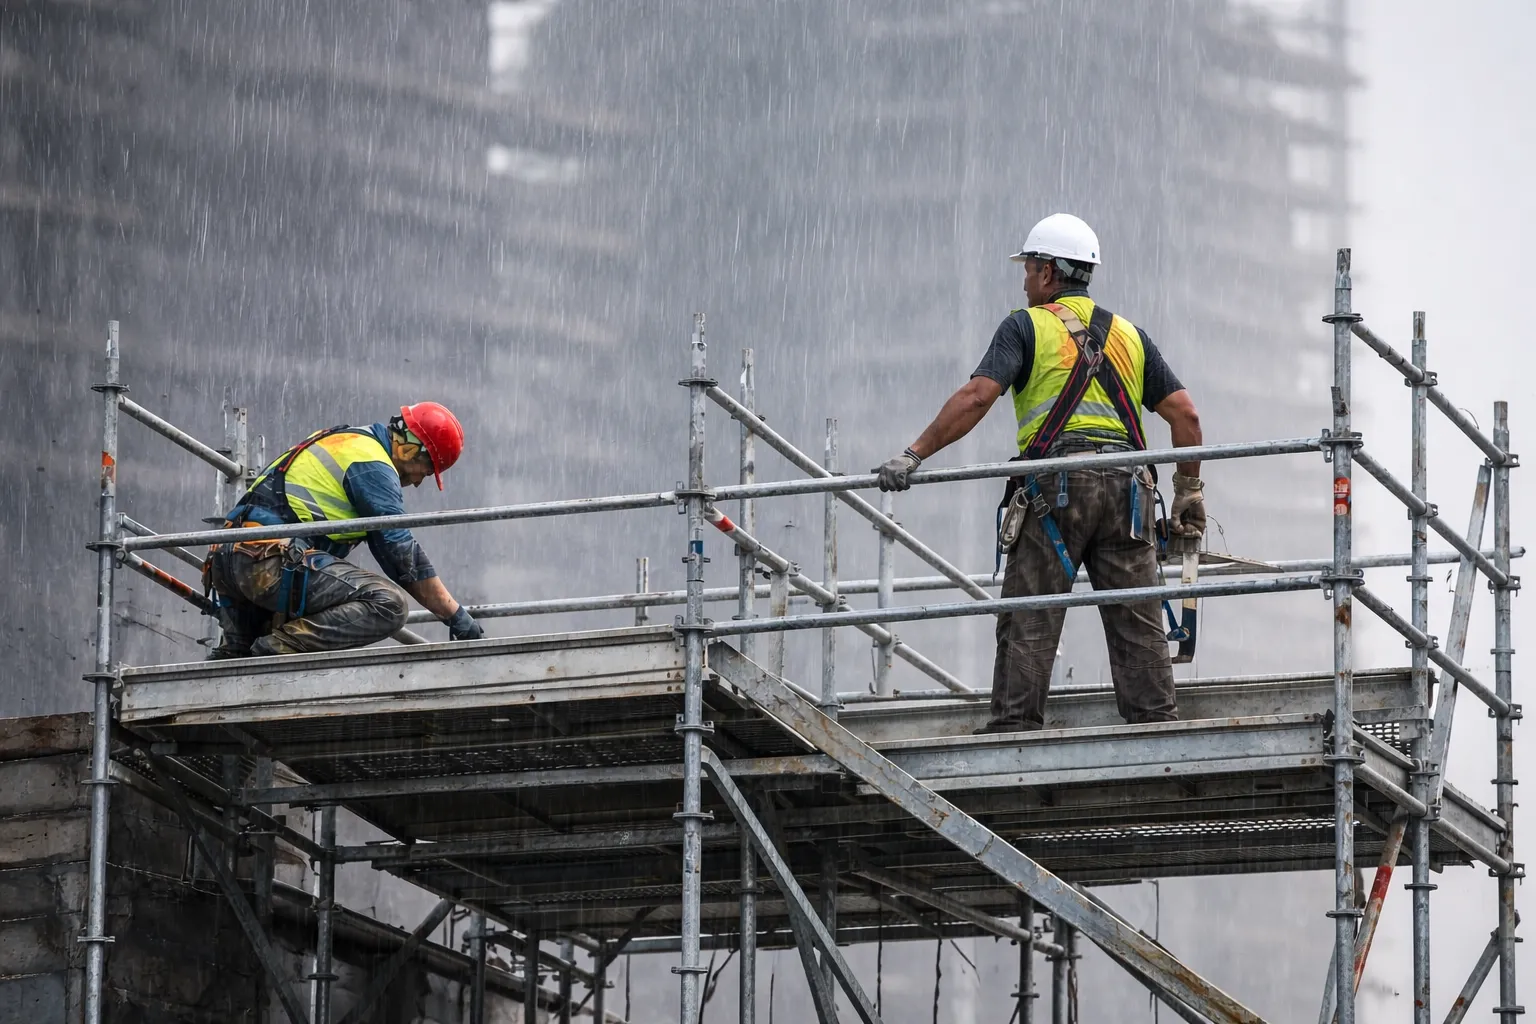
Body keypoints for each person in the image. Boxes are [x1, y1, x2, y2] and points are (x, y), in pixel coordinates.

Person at [874, 214, 1206, 732]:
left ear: (1049, 272)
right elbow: (1186, 416)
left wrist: (914, 454)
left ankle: (1014, 733)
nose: (1025, 281)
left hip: (1057, 489)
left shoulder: (1024, 326)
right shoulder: (1130, 335)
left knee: (1031, 615)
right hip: (1127, 494)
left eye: (1029, 270)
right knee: (1138, 621)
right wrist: (1187, 491)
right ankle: (1156, 729)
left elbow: (978, 395)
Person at [204, 402, 485, 658]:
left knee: (236, 662)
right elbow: (401, 554)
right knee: (389, 605)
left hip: (229, 563)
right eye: (425, 470)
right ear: (410, 448)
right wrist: (454, 614)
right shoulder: (370, 462)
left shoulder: (346, 441)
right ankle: (275, 650)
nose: (417, 482)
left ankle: (245, 653)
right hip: (266, 564)